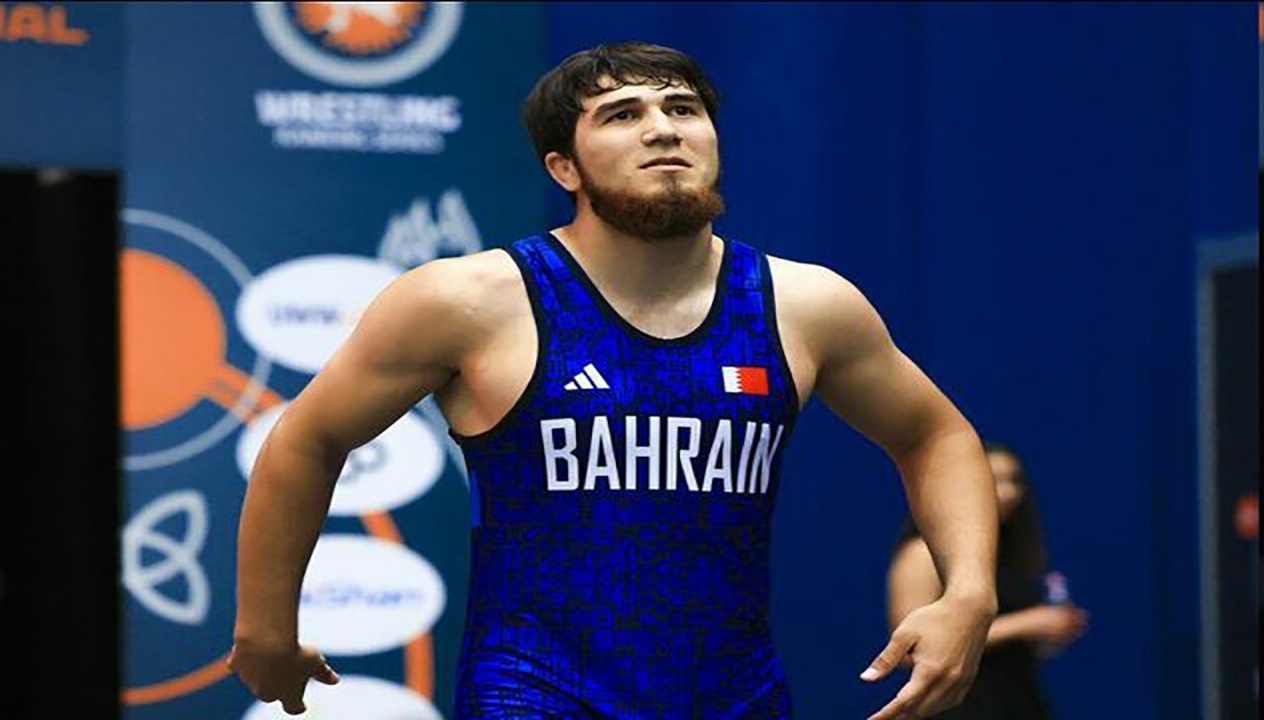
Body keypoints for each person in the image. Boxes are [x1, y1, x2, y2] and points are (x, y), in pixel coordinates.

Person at [228, 42, 1001, 719]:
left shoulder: (805, 304)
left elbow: (935, 435)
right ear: (562, 167)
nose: (663, 129)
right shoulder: (470, 300)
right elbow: (308, 438)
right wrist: (265, 629)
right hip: (533, 692)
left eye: (683, 109)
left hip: (736, 696)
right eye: (623, 114)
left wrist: (968, 592)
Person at [886, 442, 1089, 719]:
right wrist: (1025, 624)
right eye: (994, 480)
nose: (1009, 492)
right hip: (962, 706)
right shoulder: (923, 552)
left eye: (1014, 480)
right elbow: (909, 650)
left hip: (1019, 698)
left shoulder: (1009, 553)